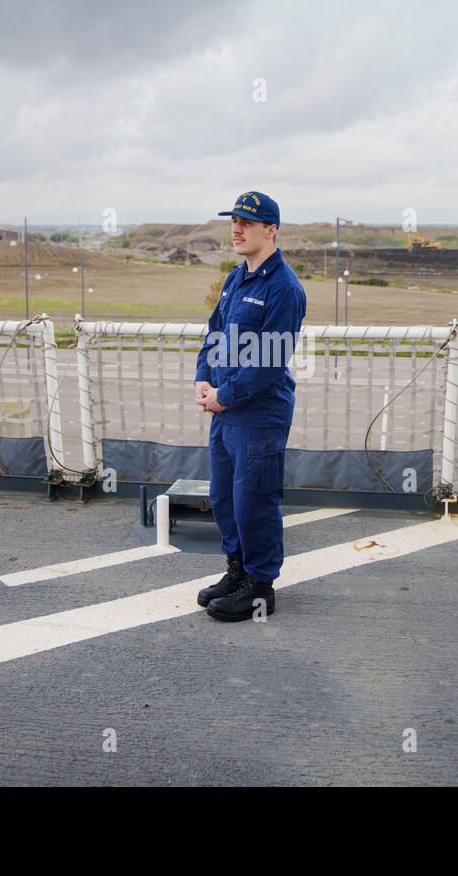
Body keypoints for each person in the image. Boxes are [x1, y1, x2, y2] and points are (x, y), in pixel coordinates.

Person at [194, 191, 307, 622]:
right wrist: (203, 376)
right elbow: (215, 332)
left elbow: (268, 363)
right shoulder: (236, 277)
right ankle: (237, 571)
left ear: (271, 229)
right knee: (224, 497)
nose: (236, 229)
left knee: (253, 500)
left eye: (246, 222)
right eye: (233, 221)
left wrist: (225, 395)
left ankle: (260, 587)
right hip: (225, 411)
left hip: (258, 414)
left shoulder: (284, 288)